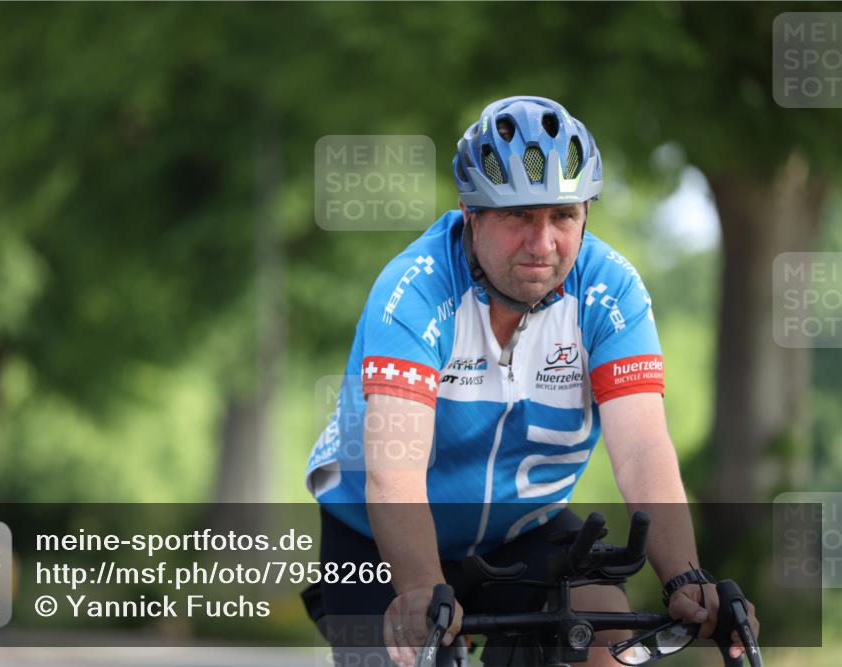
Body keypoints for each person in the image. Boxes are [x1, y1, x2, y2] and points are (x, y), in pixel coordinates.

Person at [304, 95, 758, 666]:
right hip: (375, 536)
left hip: (523, 531)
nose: (542, 243)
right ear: (472, 214)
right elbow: (395, 470)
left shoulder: (609, 290)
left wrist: (685, 576)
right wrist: (419, 587)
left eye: (563, 216)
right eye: (519, 215)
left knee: (606, 647)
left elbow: (642, 447)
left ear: (586, 213)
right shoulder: (413, 290)